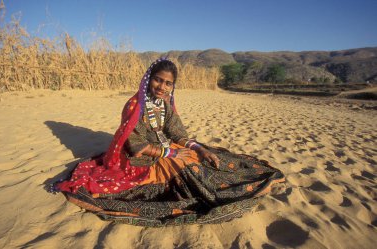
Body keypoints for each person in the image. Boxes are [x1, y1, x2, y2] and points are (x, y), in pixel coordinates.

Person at [56, 58, 285, 226]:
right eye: (158, 80)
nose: (162, 87)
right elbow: (136, 144)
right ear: (149, 79)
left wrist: (199, 148)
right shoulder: (135, 105)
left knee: (202, 159)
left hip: (166, 147)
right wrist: (169, 154)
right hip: (144, 158)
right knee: (183, 170)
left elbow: (176, 132)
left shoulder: (164, 103)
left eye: (168, 83)